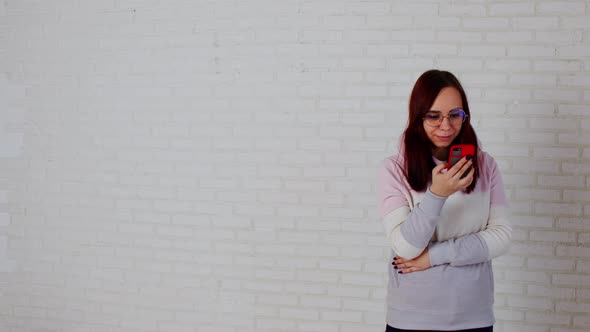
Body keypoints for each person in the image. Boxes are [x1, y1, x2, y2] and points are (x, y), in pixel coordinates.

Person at [377, 69, 512, 332]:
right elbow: (405, 247)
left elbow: (503, 236)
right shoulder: (393, 170)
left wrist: (434, 256)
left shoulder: (485, 166)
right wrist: (437, 194)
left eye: (455, 115)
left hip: (474, 315)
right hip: (411, 318)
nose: (446, 126)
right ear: (418, 117)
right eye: (433, 116)